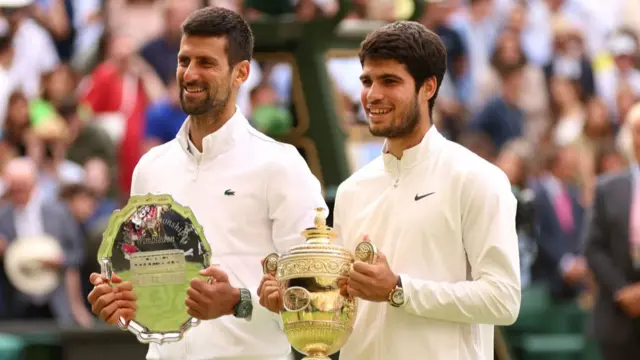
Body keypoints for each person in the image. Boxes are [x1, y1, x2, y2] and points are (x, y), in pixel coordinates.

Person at [258, 21, 521, 360]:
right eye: (367, 81)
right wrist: (294, 298)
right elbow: (344, 303)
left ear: (428, 87)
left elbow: (503, 300)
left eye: (389, 81)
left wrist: (399, 290)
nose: (373, 95)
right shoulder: (353, 190)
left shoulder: (477, 178)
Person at [86, 7, 326, 360]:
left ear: (241, 73)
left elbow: (316, 296)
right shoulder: (151, 167)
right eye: (185, 60)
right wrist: (119, 301)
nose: (190, 73)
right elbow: (147, 285)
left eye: (206, 63)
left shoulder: (282, 165)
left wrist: (237, 303)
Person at [583, 104, 640, 360]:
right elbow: (593, 247)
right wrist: (623, 290)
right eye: (637, 131)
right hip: (618, 314)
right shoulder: (607, 188)